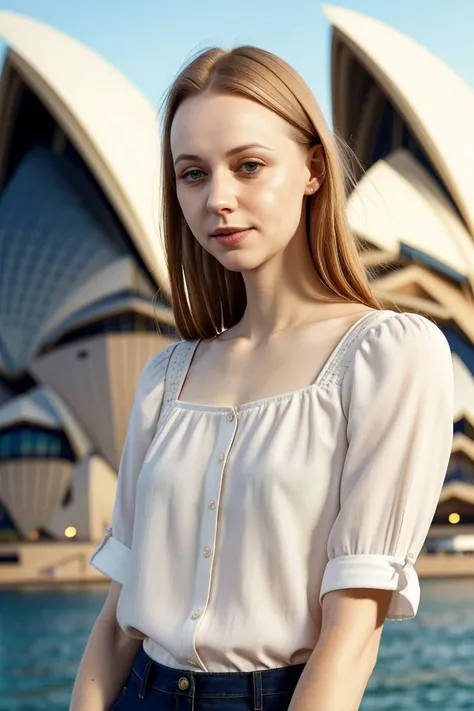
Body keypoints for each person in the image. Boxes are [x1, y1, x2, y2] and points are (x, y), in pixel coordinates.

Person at [70, 46, 454, 711]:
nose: (218, 199)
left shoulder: (387, 354)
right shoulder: (167, 376)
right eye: (192, 174)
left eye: (249, 165)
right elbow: (115, 623)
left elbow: (352, 633)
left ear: (311, 168)